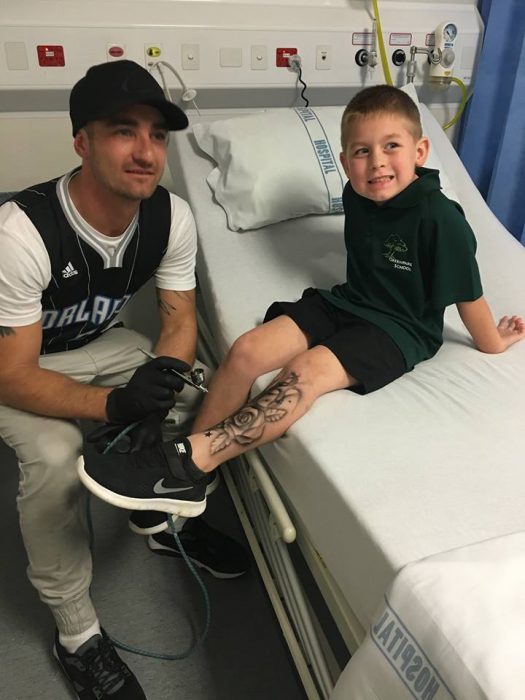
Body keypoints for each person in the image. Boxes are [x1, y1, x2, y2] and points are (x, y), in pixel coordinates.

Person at [79, 84, 525, 521]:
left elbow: (469, 294)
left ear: (421, 152)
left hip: (398, 329)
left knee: (303, 373)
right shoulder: (358, 194)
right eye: (361, 152)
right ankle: (187, 476)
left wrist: (492, 342)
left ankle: (189, 459)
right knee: (247, 350)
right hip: (348, 302)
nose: (377, 163)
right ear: (345, 160)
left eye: (392, 146)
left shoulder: (441, 219)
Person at [0, 59, 248, 700]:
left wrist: (160, 379)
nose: (146, 152)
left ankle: (154, 514)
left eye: (157, 135)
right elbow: (13, 375)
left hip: (90, 346)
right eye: (122, 131)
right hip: (13, 369)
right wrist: (115, 405)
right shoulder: (22, 234)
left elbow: (179, 318)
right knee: (56, 458)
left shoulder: (171, 218)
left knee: (198, 384)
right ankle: (76, 633)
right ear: (81, 140)